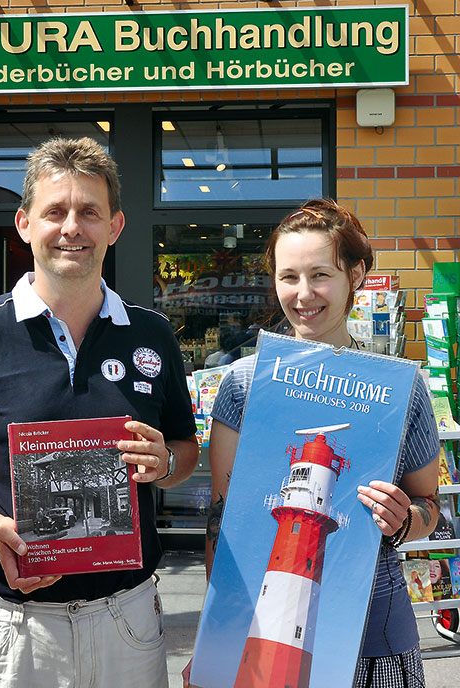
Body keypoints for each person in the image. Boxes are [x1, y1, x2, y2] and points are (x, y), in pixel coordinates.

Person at [0, 137, 199, 688]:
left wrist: (165, 464)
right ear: (24, 224)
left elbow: (185, 449)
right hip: (11, 628)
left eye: (90, 212)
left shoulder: (152, 334)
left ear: (115, 226)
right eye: (55, 212)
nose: (72, 228)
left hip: (127, 621)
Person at [186, 199, 440, 688]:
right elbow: (223, 525)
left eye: (320, 274)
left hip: (375, 642)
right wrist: (215, 641)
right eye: (288, 276)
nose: (304, 294)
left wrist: (406, 519)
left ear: (356, 274)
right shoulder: (243, 383)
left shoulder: (398, 388)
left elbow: (432, 508)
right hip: (262, 639)